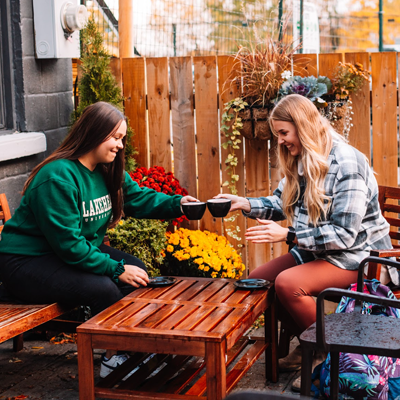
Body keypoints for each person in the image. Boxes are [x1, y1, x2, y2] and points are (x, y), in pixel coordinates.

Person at [0, 101, 199, 379]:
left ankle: (139, 346)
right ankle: (113, 358)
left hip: (63, 254)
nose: (119, 145)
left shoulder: (106, 170)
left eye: (122, 139)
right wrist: (116, 269)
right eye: (115, 137)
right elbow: (70, 246)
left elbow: (138, 198)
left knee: (138, 270)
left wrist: (179, 205)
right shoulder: (58, 177)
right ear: (94, 133)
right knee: (102, 288)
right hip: (26, 262)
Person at [214, 94, 393, 391]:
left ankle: (328, 355)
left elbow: (345, 235)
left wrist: (289, 235)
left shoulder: (347, 162)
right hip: (319, 252)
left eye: (284, 133)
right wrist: (243, 203)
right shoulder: (302, 159)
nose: (281, 141)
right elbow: (279, 201)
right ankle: (309, 342)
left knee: (287, 283)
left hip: (361, 258)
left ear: (303, 126)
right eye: (278, 135)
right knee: (259, 281)